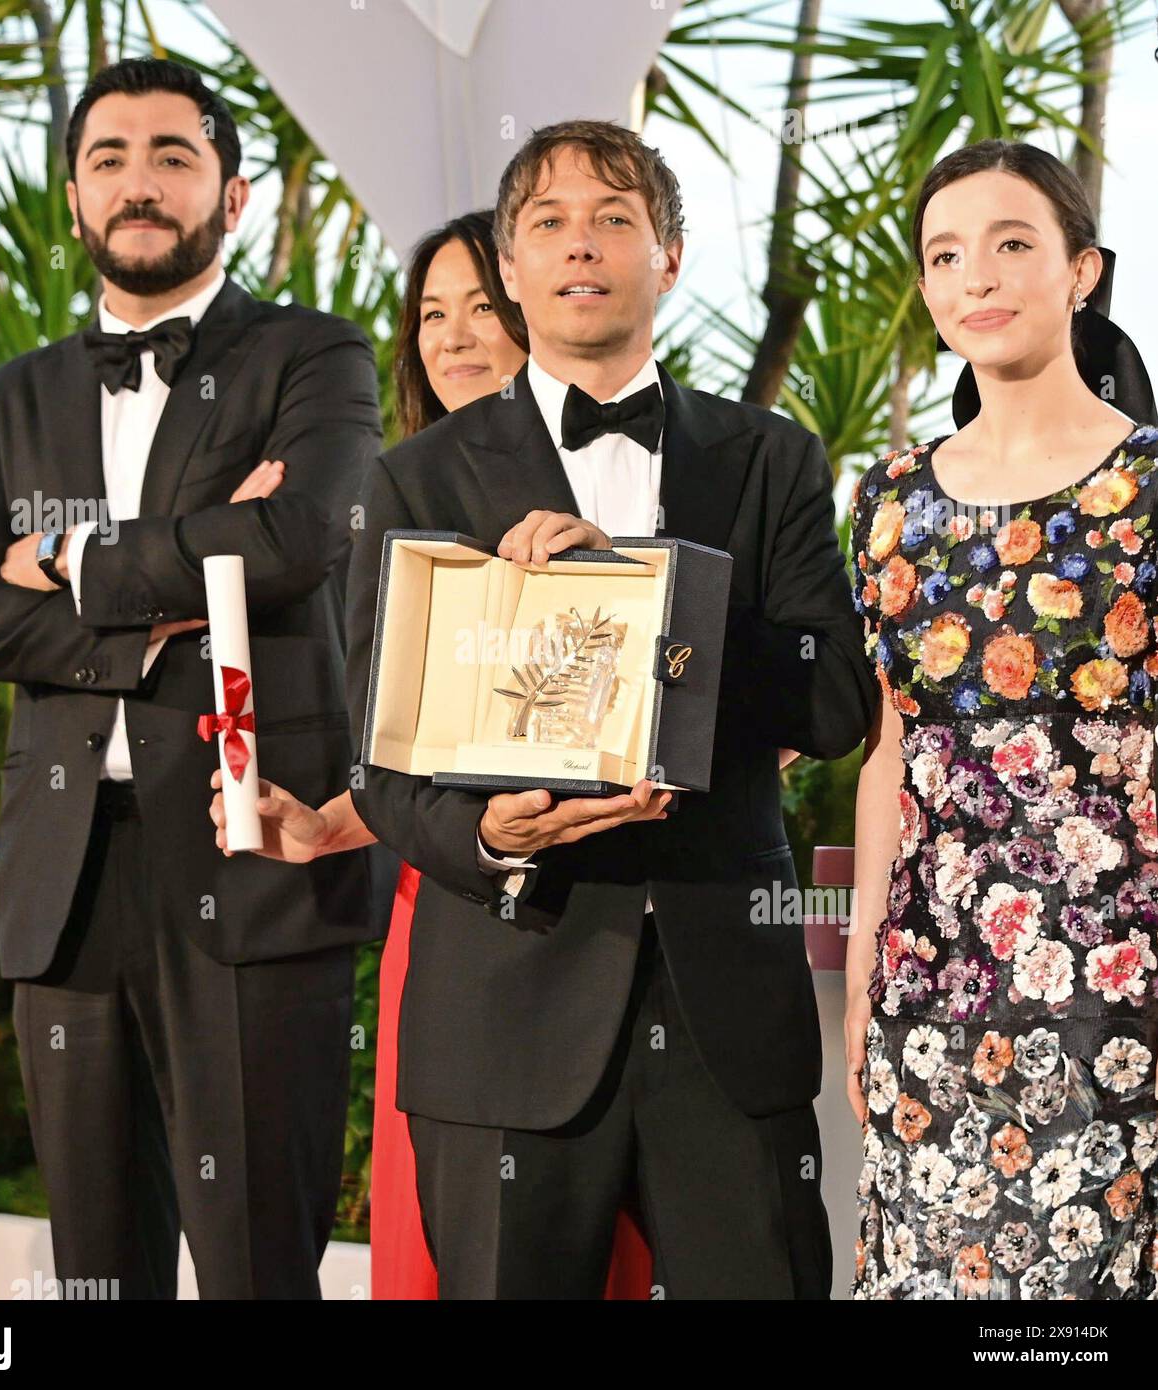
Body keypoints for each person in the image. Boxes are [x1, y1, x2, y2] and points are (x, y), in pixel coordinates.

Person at [343, 118, 876, 1299]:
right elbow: (378, 765)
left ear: (669, 258)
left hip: (723, 1015)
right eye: (547, 223)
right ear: (510, 265)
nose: (579, 245)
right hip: (501, 1008)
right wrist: (486, 837)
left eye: (614, 219)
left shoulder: (768, 459)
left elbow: (832, 691)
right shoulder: (414, 480)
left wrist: (652, 594)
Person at [0, 57, 382, 1298]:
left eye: (174, 155)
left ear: (232, 197)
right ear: (74, 197)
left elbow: (297, 541)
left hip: (251, 852)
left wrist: (69, 557)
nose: (139, 182)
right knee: (93, 1274)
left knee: (252, 1269)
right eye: (109, 159)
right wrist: (159, 604)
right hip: (67, 878)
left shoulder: (310, 355)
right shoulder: (20, 395)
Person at [211, 208, 661, 1298]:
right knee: (448, 1246)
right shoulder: (397, 492)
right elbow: (419, 741)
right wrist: (327, 821)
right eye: (429, 316)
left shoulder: (622, 489)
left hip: (629, 912)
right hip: (452, 906)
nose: (453, 338)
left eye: (480, 310)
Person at [846, 138, 1158, 1300]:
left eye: (1010, 244)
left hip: (1121, 993)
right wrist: (860, 985)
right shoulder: (887, 499)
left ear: (1082, 270)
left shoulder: (1147, 486)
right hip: (928, 995)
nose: (974, 276)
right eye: (944, 255)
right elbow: (889, 753)